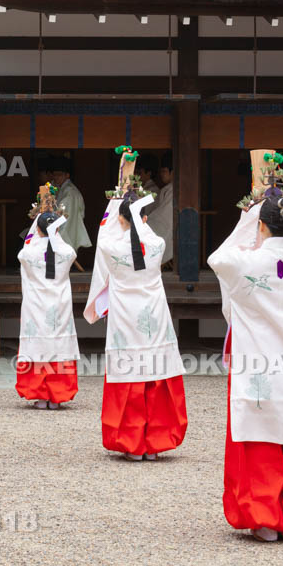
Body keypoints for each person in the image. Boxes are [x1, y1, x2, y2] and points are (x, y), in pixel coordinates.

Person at [207, 150, 283, 542]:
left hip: (258, 363)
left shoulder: (246, 263)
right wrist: (281, 214)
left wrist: (252, 214)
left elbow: (217, 256)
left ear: (259, 225)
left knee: (258, 438)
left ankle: (262, 516)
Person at [84, 146, 187, 461]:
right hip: (153, 314)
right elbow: (135, 227)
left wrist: (120, 193)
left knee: (129, 376)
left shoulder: (111, 247)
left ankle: (129, 440)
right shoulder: (157, 244)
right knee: (154, 373)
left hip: (126, 315)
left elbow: (108, 230)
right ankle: (155, 441)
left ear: (121, 220)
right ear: (145, 217)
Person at [16, 183, 79, 409]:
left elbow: (29, 245)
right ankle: (58, 394)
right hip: (59, 303)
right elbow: (61, 244)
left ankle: (40, 393)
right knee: (59, 346)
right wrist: (54, 229)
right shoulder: (67, 253)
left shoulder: (27, 253)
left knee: (38, 346)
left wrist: (43, 222)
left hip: (36, 304)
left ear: (37, 228)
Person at [49, 157, 92, 255]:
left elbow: (64, 213)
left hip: (68, 225)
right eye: (54, 175)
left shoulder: (71, 192)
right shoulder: (61, 189)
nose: (56, 177)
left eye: (59, 175)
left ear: (67, 175)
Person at [146, 152, 174, 266]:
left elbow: (165, 214)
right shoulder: (167, 189)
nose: (162, 174)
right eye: (161, 171)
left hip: (169, 225)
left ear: (173, 172)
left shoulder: (173, 189)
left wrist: (148, 220)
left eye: (164, 171)